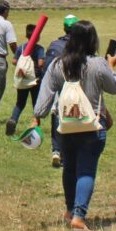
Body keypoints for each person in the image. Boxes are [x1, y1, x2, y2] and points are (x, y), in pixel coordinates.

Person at [32, 21, 116, 231]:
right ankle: (79, 217)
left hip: (66, 127)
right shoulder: (98, 64)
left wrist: (37, 118)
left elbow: (43, 101)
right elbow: (114, 87)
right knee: (86, 170)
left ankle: (70, 210)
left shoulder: (57, 65)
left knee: (69, 169)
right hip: (92, 126)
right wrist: (112, 68)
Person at [40, 15, 78, 168]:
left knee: (56, 115)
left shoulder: (55, 45)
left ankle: (56, 150)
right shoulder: (82, 46)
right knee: (74, 119)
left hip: (58, 86)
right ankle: (70, 151)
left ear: (64, 28)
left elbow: (47, 68)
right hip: (76, 88)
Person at [6, 22, 46, 135]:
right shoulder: (39, 49)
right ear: (37, 36)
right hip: (35, 80)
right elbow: (41, 63)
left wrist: (23, 65)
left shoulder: (21, 48)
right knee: (36, 103)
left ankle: (13, 119)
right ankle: (35, 125)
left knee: (20, 103)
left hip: (22, 79)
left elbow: (14, 61)